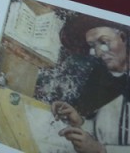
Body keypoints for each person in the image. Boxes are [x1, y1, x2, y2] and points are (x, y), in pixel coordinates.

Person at [51, 14, 130, 152]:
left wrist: (100, 150)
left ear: (123, 38)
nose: (98, 53)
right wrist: (80, 122)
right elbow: (107, 133)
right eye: (92, 46)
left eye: (104, 42)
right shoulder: (110, 78)